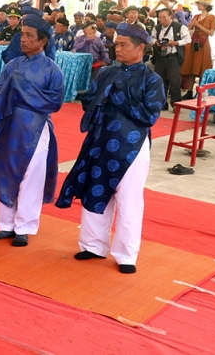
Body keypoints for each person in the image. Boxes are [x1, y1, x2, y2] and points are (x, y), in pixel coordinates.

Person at [56, 23, 165, 274]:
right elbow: (89, 101)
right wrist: (93, 99)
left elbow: (149, 116)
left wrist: (116, 98)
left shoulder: (152, 79)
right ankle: (93, 245)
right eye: (117, 44)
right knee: (95, 193)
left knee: (129, 201)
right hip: (100, 142)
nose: (118, 49)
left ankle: (126, 255)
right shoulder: (106, 73)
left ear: (140, 48)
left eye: (124, 45)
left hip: (133, 147)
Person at [0, 14, 63, 247]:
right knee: (5, 170)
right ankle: (5, 224)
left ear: (42, 41)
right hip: (8, 126)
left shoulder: (52, 70)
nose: (23, 40)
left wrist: (20, 92)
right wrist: (12, 90)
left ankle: (24, 226)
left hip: (35, 129)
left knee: (31, 175)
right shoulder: (12, 64)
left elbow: (55, 102)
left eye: (29, 36)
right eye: (22, 35)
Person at [151, 8, 190, 109]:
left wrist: (176, 43)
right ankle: (162, 104)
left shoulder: (179, 27)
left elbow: (188, 39)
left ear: (171, 17)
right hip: (160, 57)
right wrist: (156, 42)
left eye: (164, 17)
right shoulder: (157, 28)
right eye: (160, 18)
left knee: (174, 81)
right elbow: (152, 38)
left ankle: (176, 104)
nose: (162, 20)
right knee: (160, 81)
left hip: (173, 57)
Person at [181, 0, 215, 98]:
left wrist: (198, 25)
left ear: (205, 6)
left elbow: (211, 33)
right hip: (193, 42)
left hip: (203, 44)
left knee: (202, 68)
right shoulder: (196, 16)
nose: (198, 5)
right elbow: (190, 29)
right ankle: (189, 91)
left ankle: (200, 92)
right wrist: (191, 25)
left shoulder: (212, 17)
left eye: (199, 4)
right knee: (191, 66)